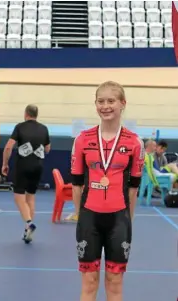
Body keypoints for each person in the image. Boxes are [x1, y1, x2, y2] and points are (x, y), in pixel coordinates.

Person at [71, 81, 144, 301]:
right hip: (89, 220)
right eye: (100, 101)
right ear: (95, 105)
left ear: (123, 104)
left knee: (114, 283)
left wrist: (127, 220)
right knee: (89, 282)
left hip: (119, 221)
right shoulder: (82, 140)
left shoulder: (134, 143)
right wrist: (80, 217)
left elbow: (132, 190)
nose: (105, 106)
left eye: (111, 101)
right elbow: (76, 186)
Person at [1, 104, 50, 243]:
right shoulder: (44, 128)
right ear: (36, 115)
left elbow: (9, 146)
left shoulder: (20, 127)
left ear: (26, 114)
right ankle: (27, 231)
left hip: (23, 166)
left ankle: (29, 223)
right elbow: (47, 149)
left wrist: (5, 164)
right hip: (38, 166)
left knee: (19, 198)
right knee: (31, 198)